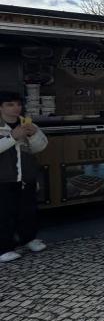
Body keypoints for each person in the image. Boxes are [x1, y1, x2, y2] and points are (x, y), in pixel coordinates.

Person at [0, 91, 48, 263]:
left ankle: (29, 239)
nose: (15, 108)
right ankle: (4, 247)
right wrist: (13, 137)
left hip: (26, 176)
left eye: (18, 104)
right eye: (10, 104)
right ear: (1, 107)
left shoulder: (27, 123)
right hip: (4, 179)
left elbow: (40, 146)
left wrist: (34, 134)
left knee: (27, 210)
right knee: (5, 213)